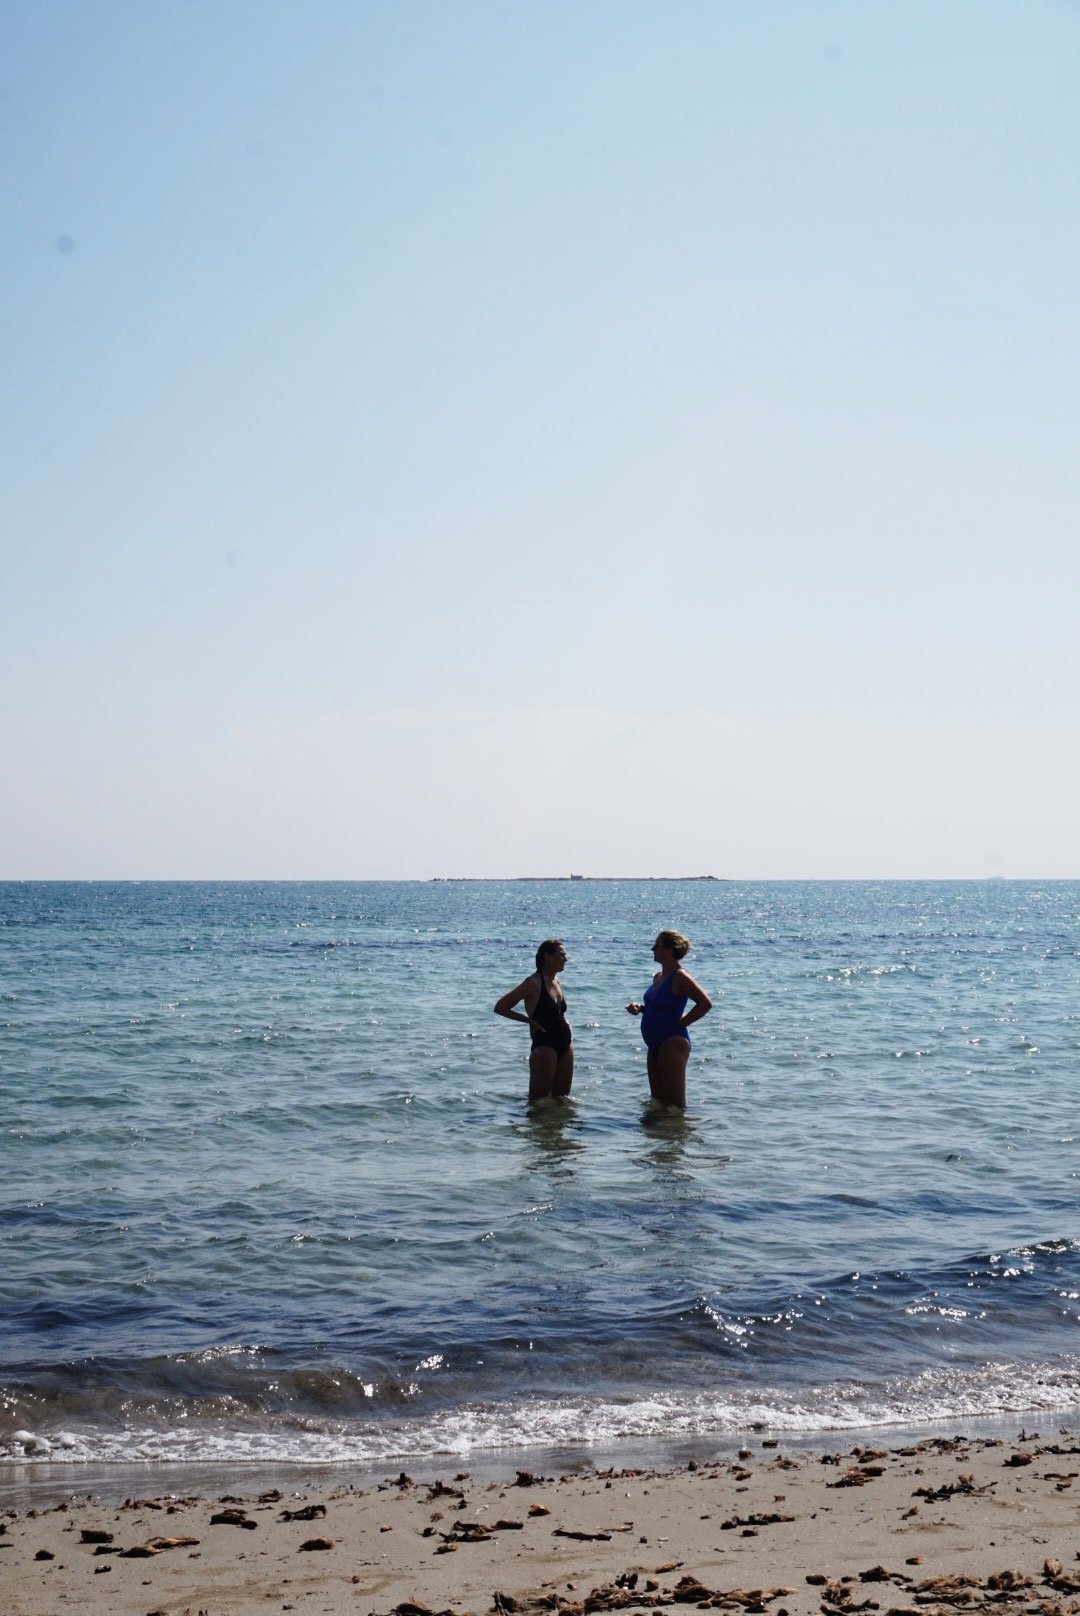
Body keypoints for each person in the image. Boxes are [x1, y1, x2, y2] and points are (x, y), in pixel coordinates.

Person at [626, 930, 712, 1108]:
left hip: (672, 1041)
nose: (652, 949)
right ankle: (660, 1134)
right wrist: (641, 1009)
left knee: (674, 1103)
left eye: (656, 945)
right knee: (657, 1101)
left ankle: (677, 1134)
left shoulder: (680, 976)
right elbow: (658, 1006)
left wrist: (683, 1022)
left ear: (669, 949)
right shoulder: (658, 977)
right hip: (654, 1043)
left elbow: (705, 1003)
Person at [494, 939, 573, 1104]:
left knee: (562, 1101)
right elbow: (501, 1007)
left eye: (565, 956)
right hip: (545, 1047)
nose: (565, 959)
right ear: (547, 957)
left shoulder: (556, 981)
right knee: (538, 1105)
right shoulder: (533, 983)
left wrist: (567, 1024)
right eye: (561, 955)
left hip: (565, 1046)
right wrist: (529, 1021)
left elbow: (559, 1011)